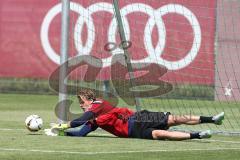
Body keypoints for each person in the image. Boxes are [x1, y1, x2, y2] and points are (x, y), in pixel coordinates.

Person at [47, 89, 225, 140]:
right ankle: (198, 135)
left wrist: (63, 125)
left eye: (82, 102)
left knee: (174, 119)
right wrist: (62, 133)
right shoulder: (96, 119)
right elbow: (82, 132)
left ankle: (212, 119)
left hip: (138, 118)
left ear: (89, 100)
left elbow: (81, 121)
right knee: (160, 134)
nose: (80, 105)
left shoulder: (98, 105)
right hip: (133, 132)